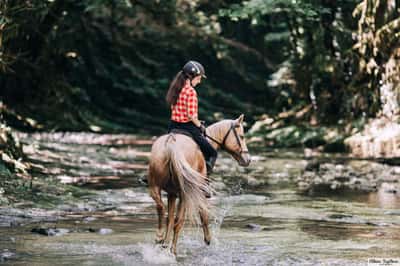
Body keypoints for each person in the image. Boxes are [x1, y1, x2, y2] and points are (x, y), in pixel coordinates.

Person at [166, 60, 217, 174]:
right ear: (191, 76)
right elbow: (191, 115)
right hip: (188, 127)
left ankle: (149, 174)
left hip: (173, 125)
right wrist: (200, 126)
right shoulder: (190, 91)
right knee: (212, 153)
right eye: (198, 78)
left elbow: (172, 108)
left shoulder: (176, 88)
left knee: (163, 148)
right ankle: (204, 177)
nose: (199, 81)